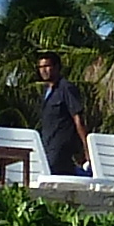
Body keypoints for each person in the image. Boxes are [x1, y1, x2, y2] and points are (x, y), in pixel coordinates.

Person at [27, 51, 91, 179]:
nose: (43, 70)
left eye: (47, 66)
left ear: (56, 67)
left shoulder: (66, 88)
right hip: (47, 147)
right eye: (40, 67)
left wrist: (87, 149)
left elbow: (78, 119)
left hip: (61, 149)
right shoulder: (47, 92)